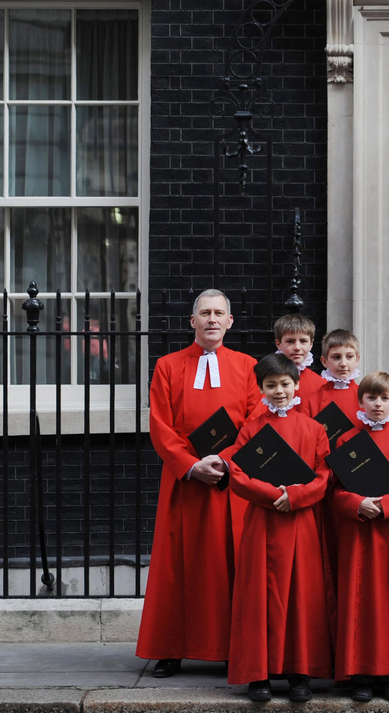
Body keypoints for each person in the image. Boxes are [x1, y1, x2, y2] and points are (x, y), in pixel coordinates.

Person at [136, 290, 260, 678]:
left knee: (232, 563)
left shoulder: (248, 365)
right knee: (177, 565)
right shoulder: (168, 365)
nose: (211, 319)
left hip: (231, 481)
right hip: (186, 482)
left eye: (218, 313)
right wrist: (191, 466)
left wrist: (225, 461)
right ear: (192, 322)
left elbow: (255, 421)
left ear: (229, 321)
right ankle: (171, 647)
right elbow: (160, 424)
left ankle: (230, 648)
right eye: (204, 313)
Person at [224, 354, 332, 702]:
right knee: (259, 596)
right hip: (264, 520)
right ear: (261, 390)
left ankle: (299, 673)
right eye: (271, 386)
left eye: (285, 384)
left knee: (301, 595)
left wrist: (296, 497)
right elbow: (237, 474)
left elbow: (324, 475)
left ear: (297, 385)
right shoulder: (252, 428)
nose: (279, 391)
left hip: (300, 521)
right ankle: (259, 675)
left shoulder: (315, 429)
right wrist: (273, 495)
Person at [331, 372, 389, 700]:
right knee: (359, 599)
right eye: (372, 398)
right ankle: (360, 674)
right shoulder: (345, 440)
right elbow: (336, 490)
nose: (378, 405)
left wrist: (387, 506)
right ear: (361, 402)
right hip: (358, 532)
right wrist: (357, 503)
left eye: (385, 399)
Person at [307, 329, 361, 422]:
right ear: (324, 361)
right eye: (337, 357)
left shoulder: (365, 396)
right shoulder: (313, 400)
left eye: (349, 356)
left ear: (357, 360)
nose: (343, 363)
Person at [274, 312, 325, 409]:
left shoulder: (320, 384)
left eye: (303, 341)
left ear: (311, 344)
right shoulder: (267, 379)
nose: (297, 347)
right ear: (278, 343)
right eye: (290, 341)